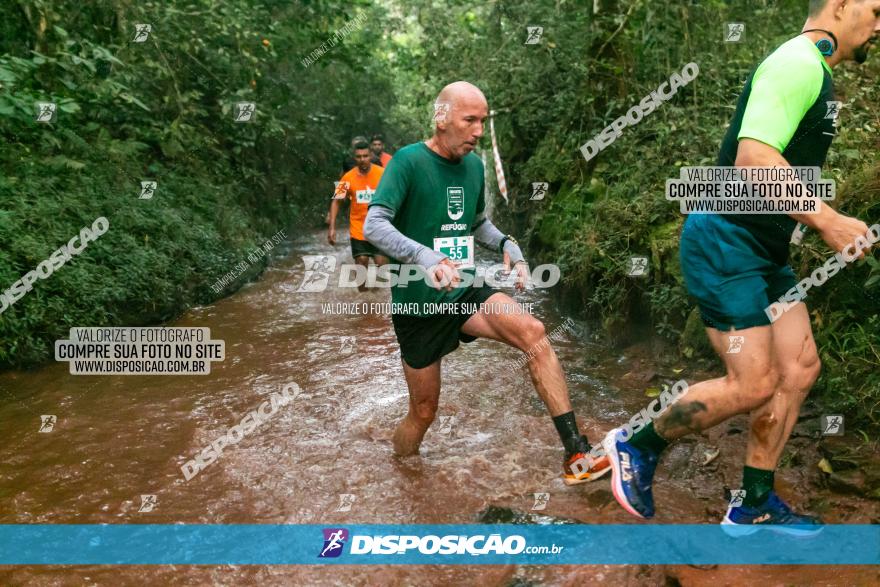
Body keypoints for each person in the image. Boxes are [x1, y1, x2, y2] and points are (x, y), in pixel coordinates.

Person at [602, 0, 879, 531]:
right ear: (841, 6)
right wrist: (827, 220)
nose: (879, 26)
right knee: (753, 382)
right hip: (726, 240)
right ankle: (634, 444)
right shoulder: (796, 62)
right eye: (875, 10)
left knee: (798, 369)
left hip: (762, 249)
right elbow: (753, 160)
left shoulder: (815, 70)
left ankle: (753, 502)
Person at [363, 81, 610, 484]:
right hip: (418, 303)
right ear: (442, 119)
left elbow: (476, 223)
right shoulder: (407, 162)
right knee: (424, 412)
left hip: (465, 290)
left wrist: (507, 242)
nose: (479, 131)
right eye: (470, 120)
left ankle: (576, 453)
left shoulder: (475, 167)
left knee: (535, 334)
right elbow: (375, 223)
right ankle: (401, 471)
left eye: (483, 121)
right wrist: (425, 257)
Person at [329, 140, 390, 291]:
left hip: (380, 227)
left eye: (365, 156)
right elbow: (336, 202)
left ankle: (378, 295)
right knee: (362, 262)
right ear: (354, 158)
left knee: (381, 263)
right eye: (358, 157)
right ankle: (364, 299)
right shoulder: (347, 178)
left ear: (370, 156)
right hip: (358, 228)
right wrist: (332, 227)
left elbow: (395, 196)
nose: (362, 160)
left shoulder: (383, 174)